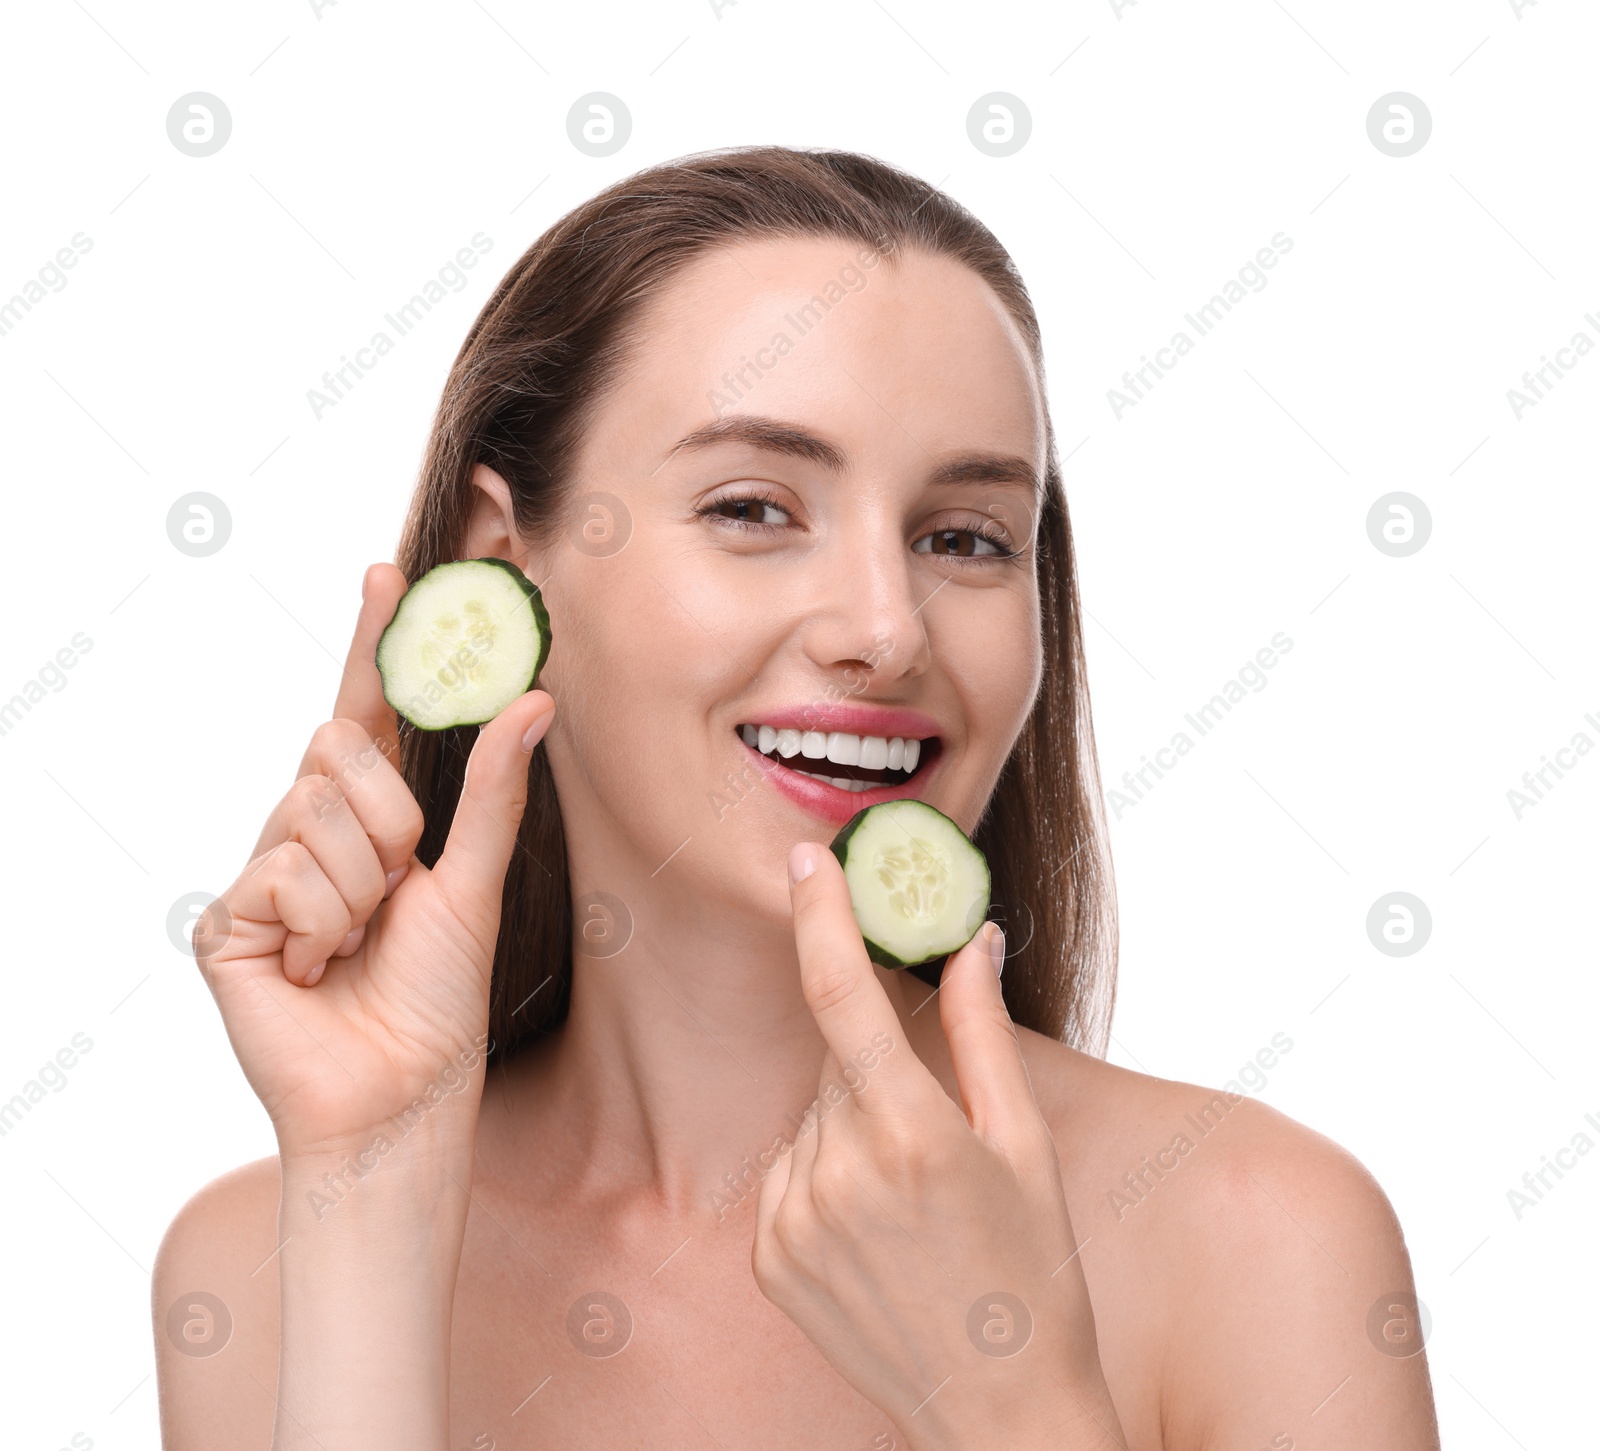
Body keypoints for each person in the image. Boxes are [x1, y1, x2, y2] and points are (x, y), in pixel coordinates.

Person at [153, 146, 1440, 1449]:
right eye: (755, 507)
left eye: (965, 538)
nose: (887, 629)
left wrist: (1012, 1398)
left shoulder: (1259, 1234)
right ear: (507, 566)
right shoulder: (249, 1266)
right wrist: (370, 1199)